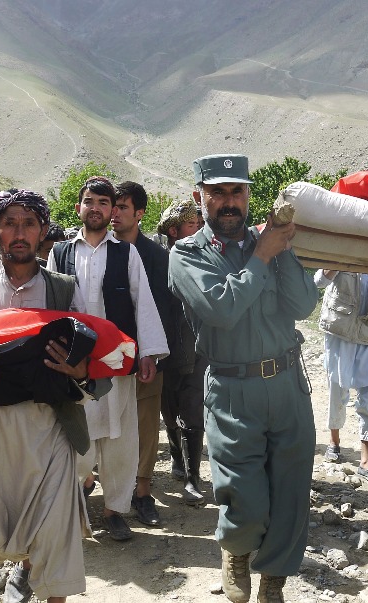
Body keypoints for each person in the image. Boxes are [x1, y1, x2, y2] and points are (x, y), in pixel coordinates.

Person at [168, 154, 317, 603]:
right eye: (217, 193)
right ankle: (235, 550)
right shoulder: (187, 254)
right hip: (233, 390)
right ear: (201, 197)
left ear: (249, 195)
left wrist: (282, 249)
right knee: (245, 498)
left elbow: (302, 306)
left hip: (288, 384)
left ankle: (274, 579)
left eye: (237, 191)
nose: (228, 202)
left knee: (291, 494)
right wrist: (262, 256)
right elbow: (221, 310)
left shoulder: (270, 240)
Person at [0, 189, 93, 603]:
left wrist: (77, 369)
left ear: (43, 231)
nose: (19, 233)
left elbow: (91, 362)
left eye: (29, 223)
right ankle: (23, 567)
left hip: (52, 426)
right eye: (10, 223)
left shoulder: (65, 291)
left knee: (56, 532)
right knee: (4, 525)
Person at [49, 176, 169, 542]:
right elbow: (53, 307)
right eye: (90, 201)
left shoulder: (126, 253)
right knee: (76, 435)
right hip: (75, 364)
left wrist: (148, 352)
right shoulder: (61, 253)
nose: (97, 208)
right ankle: (76, 502)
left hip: (117, 360)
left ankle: (115, 510)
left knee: (120, 437)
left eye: (104, 202)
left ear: (112, 210)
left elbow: (142, 303)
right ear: (78, 207)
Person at [109, 180, 173, 525]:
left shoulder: (157, 257)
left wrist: (156, 354)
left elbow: (163, 310)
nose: (114, 214)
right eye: (112, 206)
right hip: (105, 359)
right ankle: (107, 491)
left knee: (146, 425)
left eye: (122, 207)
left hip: (147, 357)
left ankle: (142, 492)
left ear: (140, 213)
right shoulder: (96, 251)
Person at [156, 198, 209, 506]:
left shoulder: (206, 259)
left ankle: (193, 478)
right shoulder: (159, 261)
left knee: (193, 413)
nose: (199, 229)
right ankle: (176, 453)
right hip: (165, 351)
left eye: (200, 224)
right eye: (193, 225)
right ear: (174, 230)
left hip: (198, 349)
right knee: (168, 409)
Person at [315, 270, 368, 483]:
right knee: (337, 389)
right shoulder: (345, 247)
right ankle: (334, 442)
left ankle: (366, 461)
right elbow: (319, 281)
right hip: (340, 329)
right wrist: (334, 266)